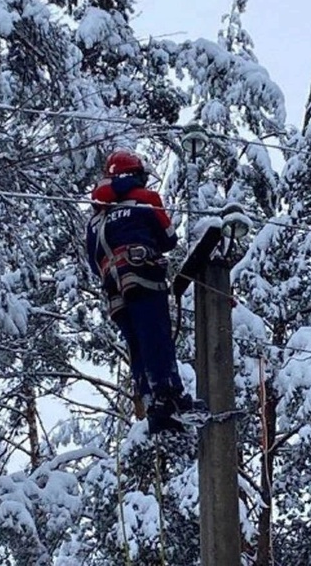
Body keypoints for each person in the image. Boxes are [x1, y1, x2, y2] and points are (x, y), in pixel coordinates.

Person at [86, 149, 198, 434]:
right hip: (143, 275)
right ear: (136, 175)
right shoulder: (145, 199)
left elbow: (92, 260)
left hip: (114, 291)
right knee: (157, 337)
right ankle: (168, 396)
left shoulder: (96, 217)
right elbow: (169, 239)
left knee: (137, 345)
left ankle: (153, 401)